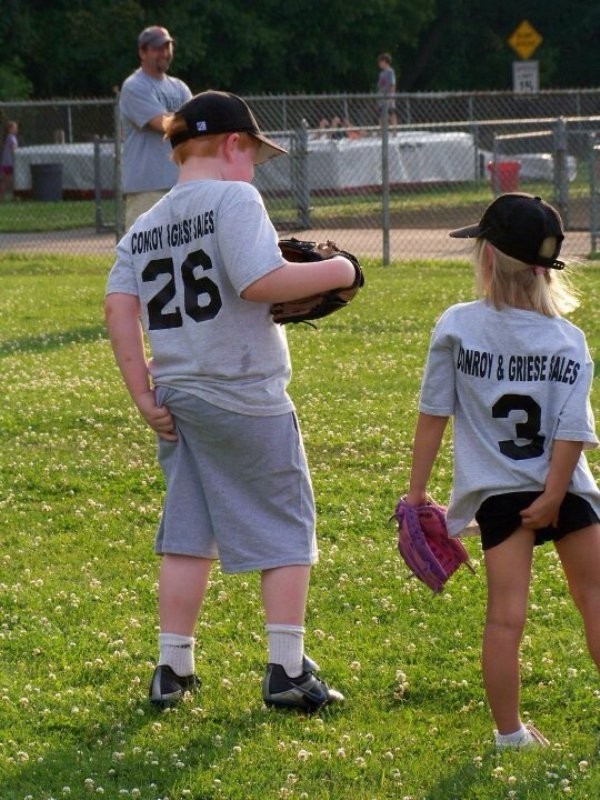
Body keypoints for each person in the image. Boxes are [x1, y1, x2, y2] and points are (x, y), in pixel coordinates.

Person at [104, 90, 360, 712]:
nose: (254, 169)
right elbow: (258, 281)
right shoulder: (235, 197)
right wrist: (341, 270)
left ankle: (172, 667)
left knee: (189, 530)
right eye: (253, 153)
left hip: (179, 395)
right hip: (244, 390)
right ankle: (288, 668)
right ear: (230, 145)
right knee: (285, 522)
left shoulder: (145, 224)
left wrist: (142, 392)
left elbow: (118, 307)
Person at [402, 192, 600, 749]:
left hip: (498, 495)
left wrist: (417, 493)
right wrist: (556, 494)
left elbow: (432, 414)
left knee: (505, 618)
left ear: (486, 258)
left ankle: (510, 734)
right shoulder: (568, 338)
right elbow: (571, 430)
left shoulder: (457, 326)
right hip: (567, 489)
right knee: (595, 597)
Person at [119, 25, 192, 229]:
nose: (165, 53)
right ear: (142, 52)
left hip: (180, 184)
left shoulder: (179, 87)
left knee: (180, 254)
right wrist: (195, 122)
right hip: (147, 189)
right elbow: (162, 123)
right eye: (158, 48)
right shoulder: (135, 86)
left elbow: (194, 123)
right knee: (143, 255)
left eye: (168, 47)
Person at [376, 53, 398, 127]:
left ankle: (394, 130)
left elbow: (393, 84)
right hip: (382, 96)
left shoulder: (390, 71)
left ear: (384, 61)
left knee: (391, 113)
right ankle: (381, 131)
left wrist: (391, 96)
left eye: (380, 62)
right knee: (380, 113)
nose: (379, 64)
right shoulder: (381, 73)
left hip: (388, 95)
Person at [0, 120, 18, 200]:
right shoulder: (11, 137)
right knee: (9, 180)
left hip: (5, 162)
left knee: (5, 180)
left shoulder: (8, 137)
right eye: (15, 128)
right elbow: (13, 148)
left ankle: (2, 196)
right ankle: (12, 195)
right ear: (10, 129)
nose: (16, 129)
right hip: (9, 163)